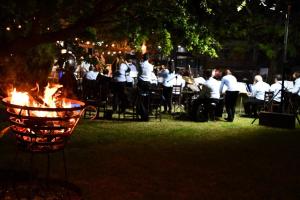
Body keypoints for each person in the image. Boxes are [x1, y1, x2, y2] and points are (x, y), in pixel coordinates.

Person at [137, 53, 154, 121]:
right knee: (147, 99)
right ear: (148, 58)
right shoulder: (151, 66)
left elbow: (139, 73)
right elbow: (151, 72)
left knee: (140, 99)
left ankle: (143, 114)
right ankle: (146, 113)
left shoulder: (141, 65)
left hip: (141, 82)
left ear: (143, 58)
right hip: (148, 83)